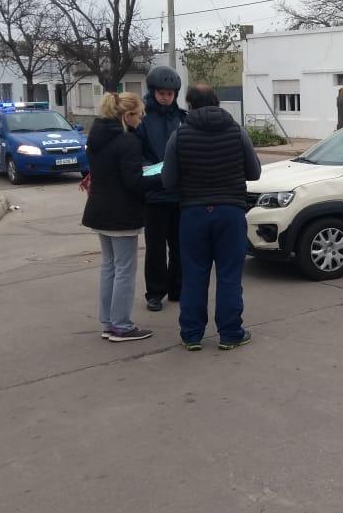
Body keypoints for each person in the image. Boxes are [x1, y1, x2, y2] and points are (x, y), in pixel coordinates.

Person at [161, 85, 261, 351]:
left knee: (194, 274)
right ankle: (230, 334)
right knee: (229, 275)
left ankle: (192, 335)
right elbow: (254, 173)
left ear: (191, 105)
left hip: (193, 213)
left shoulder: (179, 136)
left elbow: (168, 181)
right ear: (217, 103)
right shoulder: (237, 132)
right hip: (230, 212)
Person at [82, 92, 162, 342]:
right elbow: (134, 182)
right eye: (139, 115)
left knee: (109, 268)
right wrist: (163, 176)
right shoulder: (128, 142)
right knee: (125, 270)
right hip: (122, 214)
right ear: (127, 116)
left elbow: (113, 172)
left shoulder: (97, 136)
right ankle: (122, 326)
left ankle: (108, 322)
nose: (142, 119)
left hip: (99, 211)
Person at [134, 65, 187, 313]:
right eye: (162, 93)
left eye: (170, 94)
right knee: (155, 248)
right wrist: (154, 170)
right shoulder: (142, 120)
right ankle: (155, 292)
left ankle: (178, 287)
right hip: (154, 194)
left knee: (180, 245)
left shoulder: (183, 119)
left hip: (178, 194)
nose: (166, 97)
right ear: (153, 92)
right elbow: (138, 154)